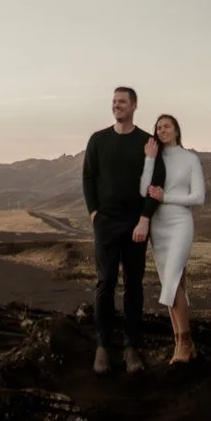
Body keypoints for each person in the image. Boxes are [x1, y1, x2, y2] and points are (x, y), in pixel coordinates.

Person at [82, 85, 158, 374]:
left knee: (134, 286)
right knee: (105, 282)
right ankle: (103, 346)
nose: (117, 105)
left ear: (134, 105)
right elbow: (89, 178)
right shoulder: (98, 140)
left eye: (122, 102)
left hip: (136, 224)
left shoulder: (146, 142)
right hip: (106, 223)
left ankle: (131, 348)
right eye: (114, 101)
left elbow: (153, 186)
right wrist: (93, 214)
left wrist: (145, 218)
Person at [141, 114, 206, 364]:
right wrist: (148, 159)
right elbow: (142, 189)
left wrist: (165, 197)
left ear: (176, 130)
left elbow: (198, 197)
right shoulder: (155, 159)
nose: (162, 129)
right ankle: (180, 342)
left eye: (167, 125)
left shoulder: (190, 159)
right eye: (158, 127)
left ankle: (185, 342)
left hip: (180, 223)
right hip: (158, 226)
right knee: (171, 284)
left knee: (172, 281)